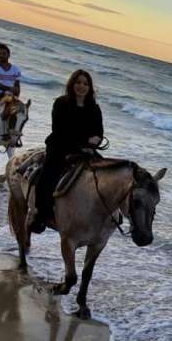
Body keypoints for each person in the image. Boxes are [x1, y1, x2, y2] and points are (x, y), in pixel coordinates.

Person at [30, 69, 102, 233]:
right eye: (78, 82)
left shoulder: (94, 108)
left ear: (90, 87)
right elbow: (60, 130)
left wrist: (96, 140)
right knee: (49, 174)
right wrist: (85, 141)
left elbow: (99, 132)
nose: (81, 86)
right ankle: (41, 215)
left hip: (86, 150)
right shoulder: (61, 103)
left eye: (85, 83)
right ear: (72, 84)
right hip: (60, 146)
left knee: (102, 174)